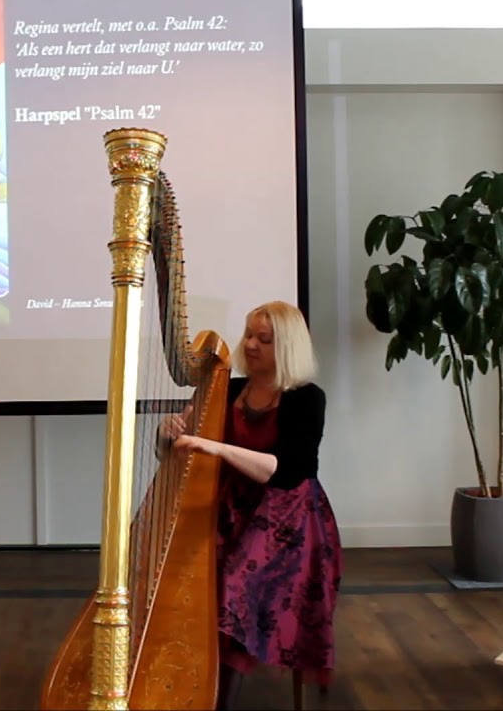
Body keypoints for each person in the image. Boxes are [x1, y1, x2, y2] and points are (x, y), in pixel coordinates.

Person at [160, 300, 342, 708]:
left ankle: (214, 703)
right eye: (249, 335)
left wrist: (215, 446)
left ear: (288, 346)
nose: (252, 345)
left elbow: (286, 469)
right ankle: (182, 680)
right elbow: (177, 451)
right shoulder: (229, 390)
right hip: (228, 511)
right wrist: (168, 432)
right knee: (174, 575)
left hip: (287, 523)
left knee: (233, 589)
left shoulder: (307, 399)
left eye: (265, 339)